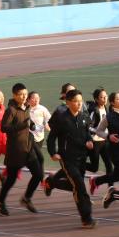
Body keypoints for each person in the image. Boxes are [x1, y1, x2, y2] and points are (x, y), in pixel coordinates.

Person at [47, 88, 97, 229]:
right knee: (80, 186)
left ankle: (52, 182)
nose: (79, 104)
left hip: (82, 157)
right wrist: (53, 153)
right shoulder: (61, 119)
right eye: (75, 101)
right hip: (67, 158)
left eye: (80, 101)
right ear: (68, 102)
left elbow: (87, 133)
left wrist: (89, 141)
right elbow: (51, 138)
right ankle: (86, 218)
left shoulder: (83, 117)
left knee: (73, 185)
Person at [0, 83, 46, 216]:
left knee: (38, 174)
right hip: (16, 150)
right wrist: (22, 126)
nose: (24, 97)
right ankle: (0, 201)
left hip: (28, 148)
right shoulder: (11, 110)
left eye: (25, 94)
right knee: (11, 179)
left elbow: (27, 121)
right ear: (14, 95)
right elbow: (4, 128)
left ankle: (26, 198)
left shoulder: (27, 107)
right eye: (21, 94)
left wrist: (32, 125)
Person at [27, 91, 51, 181]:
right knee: (40, 158)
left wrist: (47, 125)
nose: (36, 100)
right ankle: (40, 178)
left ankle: (38, 176)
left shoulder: (42, 109)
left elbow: (50, 119)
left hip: (40, 138)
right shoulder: (26, 109)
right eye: (33, 98)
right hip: (29, 138)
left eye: (37, 98)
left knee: (35, 159)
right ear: (29, 99)